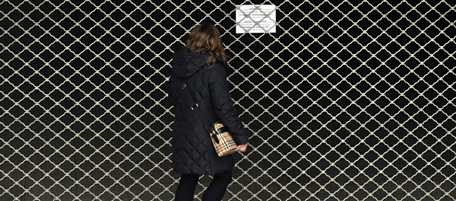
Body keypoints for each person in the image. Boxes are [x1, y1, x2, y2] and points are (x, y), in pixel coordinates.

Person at [168, 23, 250, 201]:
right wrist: (240, 137)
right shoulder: (213, 68)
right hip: (208, 133)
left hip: (184, 130)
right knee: (224, 175)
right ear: (215, 42)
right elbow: (223, 106)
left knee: (188, 177)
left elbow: (173, 99)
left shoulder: (178, 65)